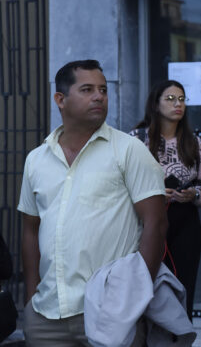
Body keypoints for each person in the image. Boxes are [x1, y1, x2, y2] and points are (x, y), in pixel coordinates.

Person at [18, 60, 167, 346]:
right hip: (46, 315)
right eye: (87, 89)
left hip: (111, 312)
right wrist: (30, 299)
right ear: (60, 100)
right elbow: (30, 229)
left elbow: (156, 223)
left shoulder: (129, 150)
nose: (99, 96)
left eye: (103, 89)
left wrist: (133, 298)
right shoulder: (36, 159)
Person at [130, 79, 201, 320]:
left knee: (183, 284)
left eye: (181, 99)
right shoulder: (136, 140)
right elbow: (120, 185)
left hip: (185, 220)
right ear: (156, 104)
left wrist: (194, 194)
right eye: (170, 99)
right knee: (146, 282)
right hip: (146, 220)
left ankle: (181, 337)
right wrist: (152, 191)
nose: (177, 104)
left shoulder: (194, 143)